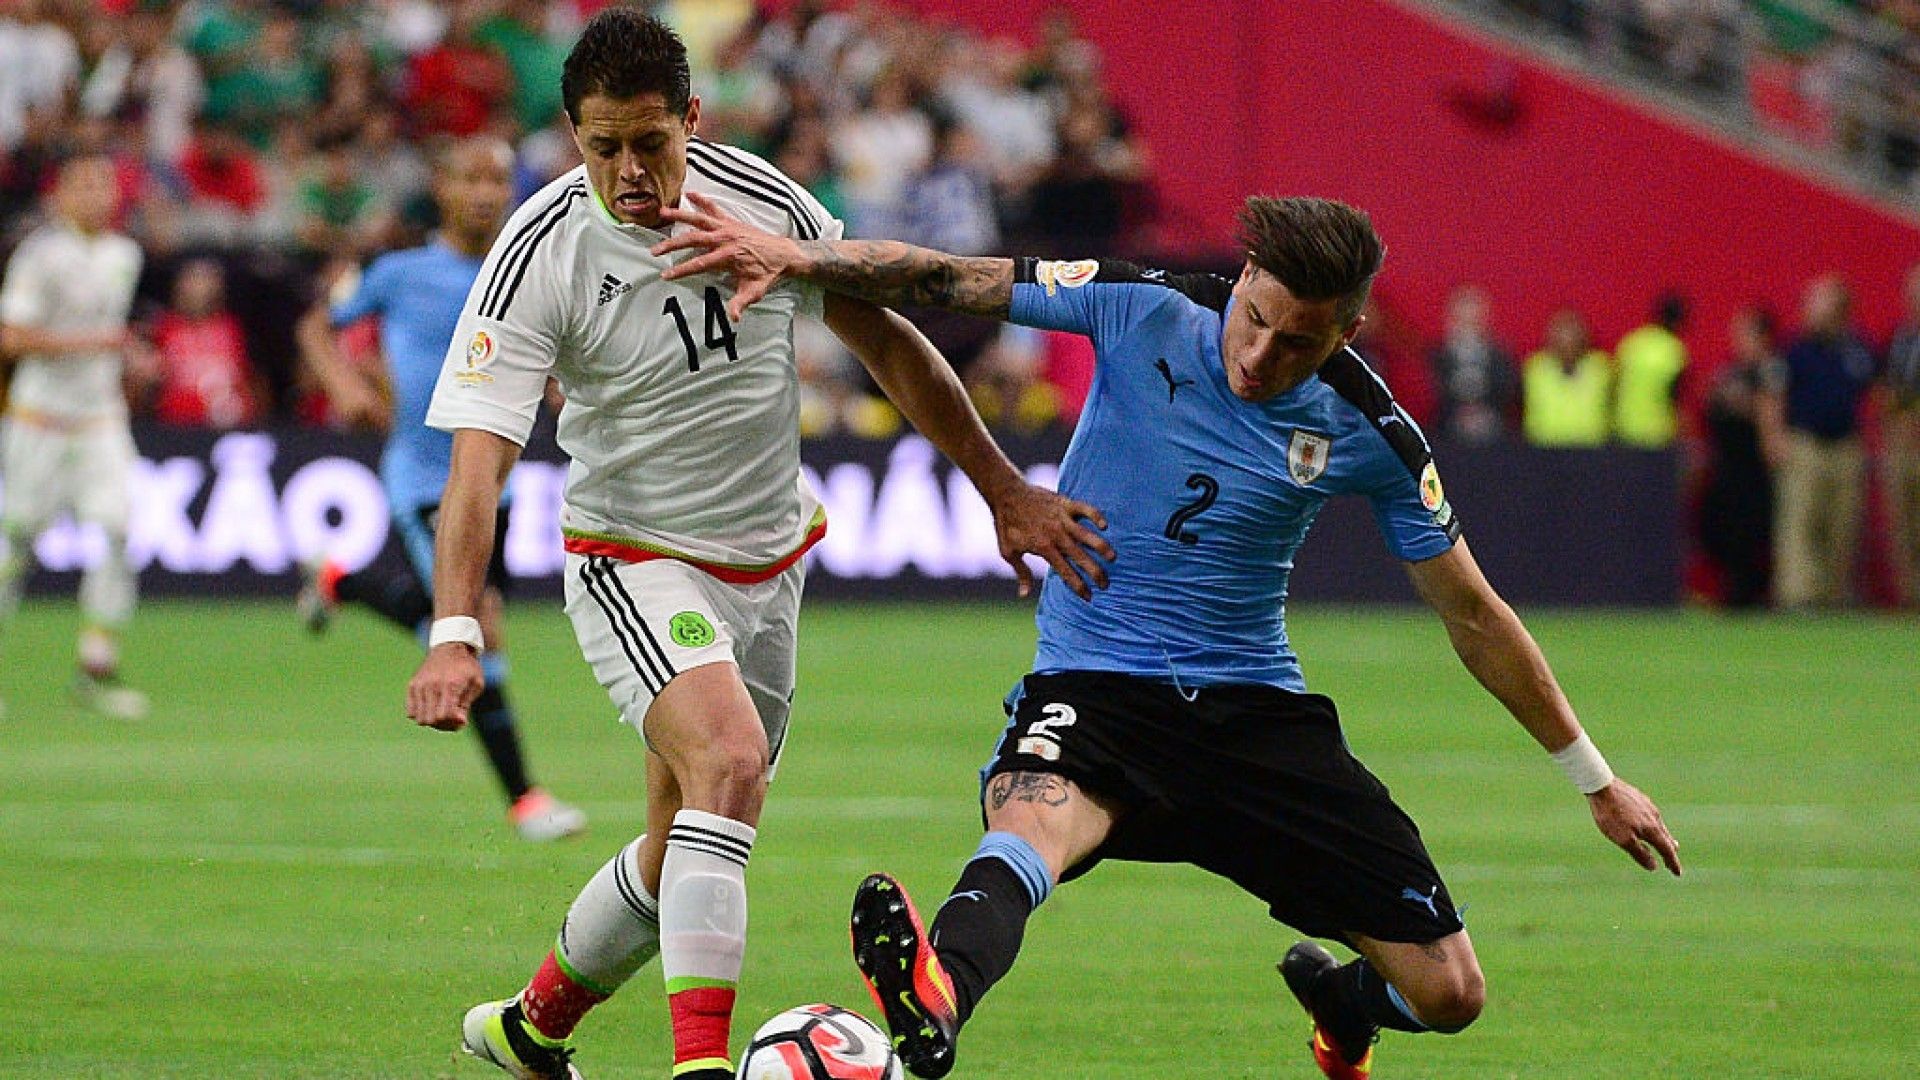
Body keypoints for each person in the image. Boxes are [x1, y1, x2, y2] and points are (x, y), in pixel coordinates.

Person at [655, 193, 1683, 1080]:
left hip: (1254, 717)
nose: (1260, 355)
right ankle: (936, 1001)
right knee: (1029, 819)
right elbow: (940, 279)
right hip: (1100, 687)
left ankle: (1344, 1010)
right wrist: (798, 256)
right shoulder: (1138, 302)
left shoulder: (1372, 432)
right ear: (1241, 277)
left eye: (1299, 343)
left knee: (1451, 991)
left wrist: (1596, 778)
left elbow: (1473, 613)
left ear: (1348, 333)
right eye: (1257, 319)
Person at [402, 12, 1105, 1080]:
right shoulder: (540, 252)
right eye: (603, 148)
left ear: (692, 117)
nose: (629, 172)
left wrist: (1003, 486)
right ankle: (700, 1071)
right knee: (728, 761)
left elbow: (887, 340)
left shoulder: (768, 204)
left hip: (770, 565)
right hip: (631, 556)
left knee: (681, 837)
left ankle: (528, 1030)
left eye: (651, 141)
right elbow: (477, 465)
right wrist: (456, 629)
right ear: (573, 135)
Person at [295, 135, 586, 845]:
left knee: (472, 626)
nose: (486, 192)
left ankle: (342, 583)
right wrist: (344, 382)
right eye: (470, 177)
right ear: (442, 186)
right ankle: (526, 799)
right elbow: (316, 326)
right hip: (428, 476)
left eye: (497, 178)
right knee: (475, 633)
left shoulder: (528, 268)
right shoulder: (396, 272)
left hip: (501, 481)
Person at [0, 152, 149, 721]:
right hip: (39, 419)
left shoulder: (124, 254)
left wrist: (128, 356)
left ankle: (96, 667)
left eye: (106, 185)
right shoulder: (40, 256)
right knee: (15, 544)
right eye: (84, 186)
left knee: (117, 530)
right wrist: (95, 344)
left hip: (101, 421)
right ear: (60, 195)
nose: (98, 196)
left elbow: (110, 338)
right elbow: (12, 339)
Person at [1766, 274, 1878, 609]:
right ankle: (1798, 597)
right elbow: (1774, 395)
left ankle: (1832, 595)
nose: (1812, 308)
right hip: (1805, 445)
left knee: (1841, 524)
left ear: (1841, 305)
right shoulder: (1794, 349)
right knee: (1799, 523)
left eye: (1820, 300)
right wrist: (1774, 436)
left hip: (1846, 446)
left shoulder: (1859, 349)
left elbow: (1874, 393)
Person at [1697, 305, 1786, 608]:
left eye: (1745, 333)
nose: (1737, 339)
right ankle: (1734, 591)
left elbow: (1770, 416)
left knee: (1754, 534)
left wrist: (1746, 408)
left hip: (1755, 468)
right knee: (1720, 528)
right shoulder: (1731, 371)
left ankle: (1751, 594)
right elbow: (1711, 401)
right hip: (1728, 466)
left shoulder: (1772, 370)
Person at [1426, 284, 1518, 445]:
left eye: (1473, 320)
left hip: (1493, 435)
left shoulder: (1500, 357)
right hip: (1446, 436)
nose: (1468, 327)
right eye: (1463, 319)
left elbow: (1508, 392)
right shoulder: (1437, 357)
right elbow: (1429, 396)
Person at [1882, 264, 1920, 608]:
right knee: (1903, 528)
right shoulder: (1900, 339)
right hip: (1902, 443)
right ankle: (1911, 602)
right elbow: (1888, 388)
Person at [1521, 308, 1612, 448]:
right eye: (1561, 335)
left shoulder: (1600, 368)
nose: (1568, 342)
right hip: (1544, 450)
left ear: (1584, 338)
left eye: (1573, 335)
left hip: (1591, 449)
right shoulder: (1536, 368)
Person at [1612, 290, 1690, 449]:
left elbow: (1615, 385)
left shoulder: (1632, 343)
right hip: (1658, 432)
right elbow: (1674, 396)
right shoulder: (1674, 350)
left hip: (1624, 428)